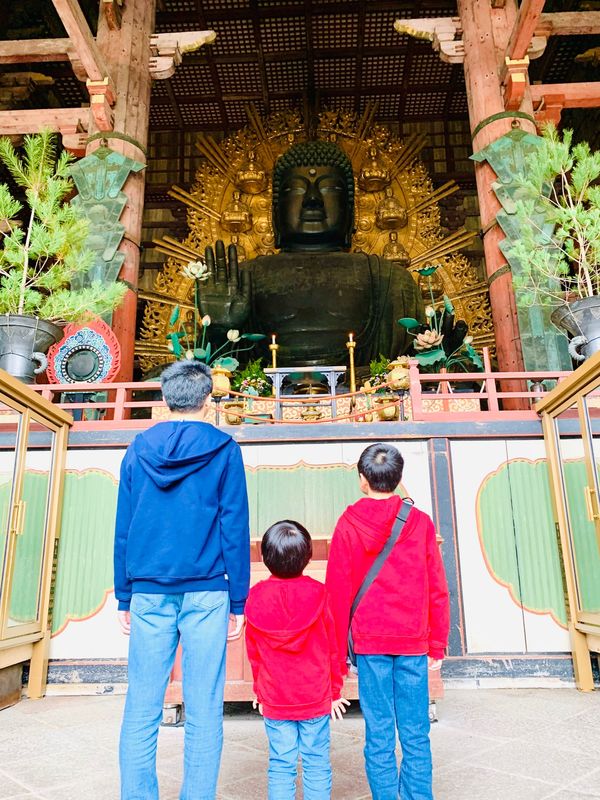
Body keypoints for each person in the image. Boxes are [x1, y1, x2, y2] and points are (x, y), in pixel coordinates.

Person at [114, 360, 250, 800]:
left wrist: (124, 594)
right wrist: (238, 601)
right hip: (208, 591)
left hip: (149, 591)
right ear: (208, 400)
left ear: (165, 398)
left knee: (141, 705)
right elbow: (234, 526)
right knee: (204, 706)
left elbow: (125, 524)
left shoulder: (139, 447)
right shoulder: (224, 448)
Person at [325, 443, 449, 800]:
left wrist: (337, 664)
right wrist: (437, 643)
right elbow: (437, 588)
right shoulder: (420, 523)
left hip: (369, 644)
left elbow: (337, 596)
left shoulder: (348, 524)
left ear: (363, 480)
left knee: (378, 731)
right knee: (416, 732)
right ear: (398, 479)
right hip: (412, 640)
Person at [245, 520, 350, 800]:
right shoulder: (320, 594)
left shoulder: (255, 597)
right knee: (316, 762)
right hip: (315, 695)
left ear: (265, 557)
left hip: (275, 697)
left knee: (281, 765)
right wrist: (335, 691)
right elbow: (333, 648)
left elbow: (254, 653)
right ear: (308, 556)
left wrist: (259, 690)